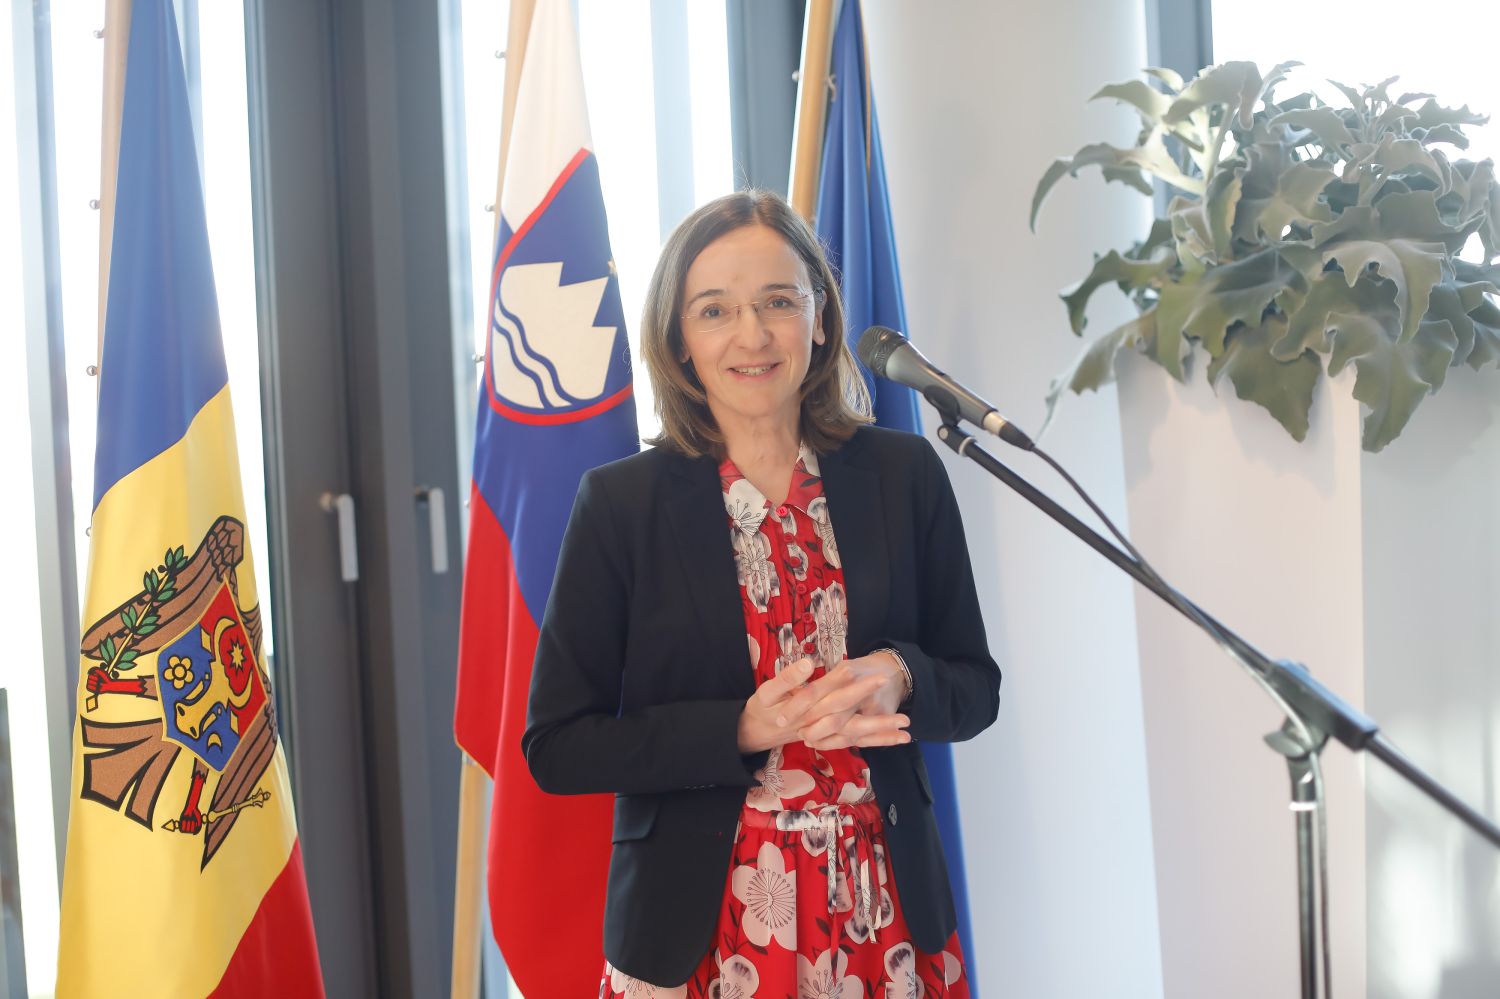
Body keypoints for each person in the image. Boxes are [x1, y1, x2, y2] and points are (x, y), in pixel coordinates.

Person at [523, 189, 1000, 996]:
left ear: (820, 317)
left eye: (779, 301)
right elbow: (557, 745)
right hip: (701, 928)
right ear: (679, 341)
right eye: (715, 310)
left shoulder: (905, 473)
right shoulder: (621, 505)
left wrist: (902, 675)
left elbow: (975, 689)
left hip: (881, 913)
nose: (752, 334)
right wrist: (738, 728)